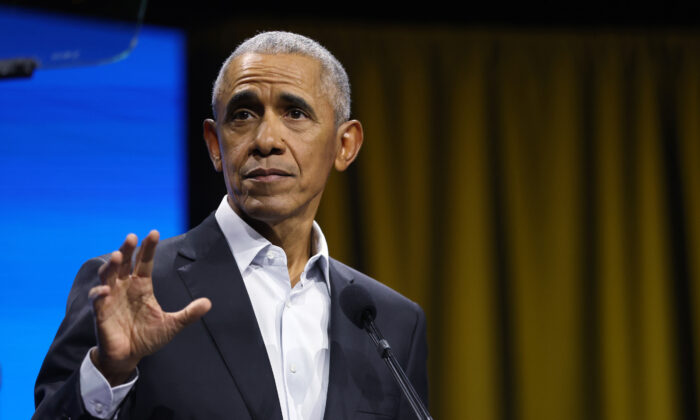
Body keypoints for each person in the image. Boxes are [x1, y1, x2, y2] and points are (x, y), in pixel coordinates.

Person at [33, 31, 428, 420]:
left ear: (345, 145)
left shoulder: (390, 322)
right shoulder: (131, 292)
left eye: (295, 113)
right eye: (243, 115)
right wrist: (107, 372)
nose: (266, 139)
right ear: (214, 144)